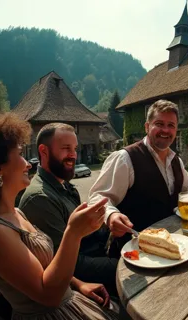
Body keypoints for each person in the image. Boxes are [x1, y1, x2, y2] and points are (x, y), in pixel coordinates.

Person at [0, 112, 117, 319]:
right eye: (21, 154)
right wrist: (73, 232)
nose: (28, 164)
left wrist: (79, 285)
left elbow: (46, 267)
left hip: (70, 302)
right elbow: (48, 295)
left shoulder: (16, 213)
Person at [88, 100, 188, 257]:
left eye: (171, 125)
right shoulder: (125, 158)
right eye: (159, 124)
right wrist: (111, 215)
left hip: (172, 245)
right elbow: (98, 196)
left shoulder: (176, 160)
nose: (166, 130)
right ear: (147, 127)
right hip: (135, 250)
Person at [19, 123, 118, 297]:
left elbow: (88, 235)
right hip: (83, 283)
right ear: (44, 151)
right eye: (66, 148)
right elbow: (66, 265)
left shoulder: (64, 186)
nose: (73, 155)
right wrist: (118, 265)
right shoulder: (40, 199)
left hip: (98, 258)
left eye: (75, 148)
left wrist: (112, 227)